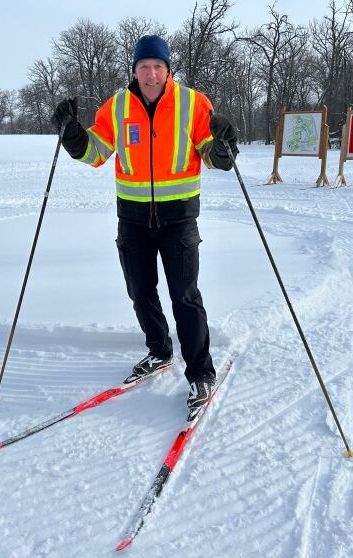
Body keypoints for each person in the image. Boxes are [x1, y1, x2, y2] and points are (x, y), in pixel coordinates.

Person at [51, 35, 238, 419]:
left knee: (184, 296)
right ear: (133, 71)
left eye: (158, 67)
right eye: (143, 67)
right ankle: (159, 350)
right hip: (133, 218)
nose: (151, 74)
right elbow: (96, 152)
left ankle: (201, 372)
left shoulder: (193, 103)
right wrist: (72, 134)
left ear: (168, 70)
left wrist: (223, 149)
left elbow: (212, 153)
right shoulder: (117, 107)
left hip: (179, 218)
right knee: (140, 290)